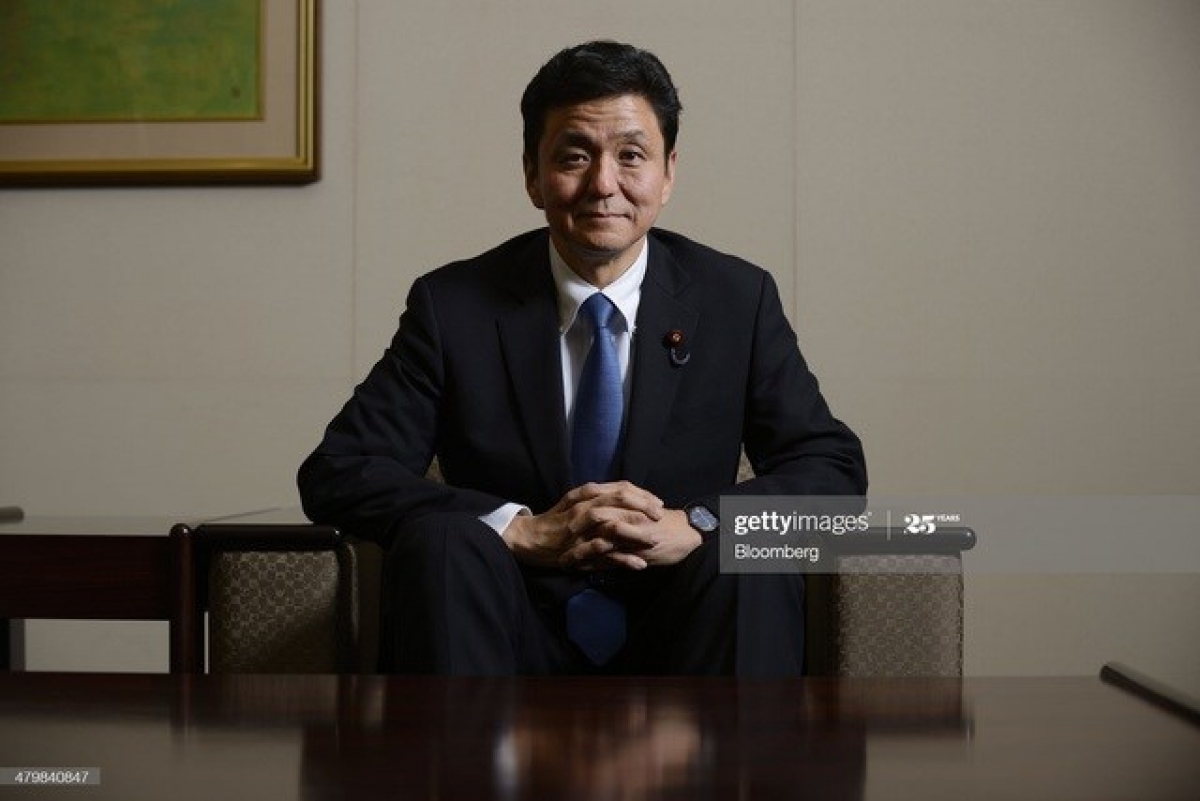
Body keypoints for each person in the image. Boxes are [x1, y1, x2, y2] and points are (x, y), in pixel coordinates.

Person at [298, 40, 866, 676]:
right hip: (507, 629)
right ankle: (470, 744)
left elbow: (832, 472)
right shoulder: (454, 307)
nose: (603, 184)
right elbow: (340, 470)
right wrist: (513, 527)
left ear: (668, 173)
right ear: (532, 174)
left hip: (686, 629)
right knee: (444, 540)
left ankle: (718, 743)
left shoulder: (737, 300)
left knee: (748, 553)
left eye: (631, 156)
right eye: (574, 156)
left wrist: (699, 523)